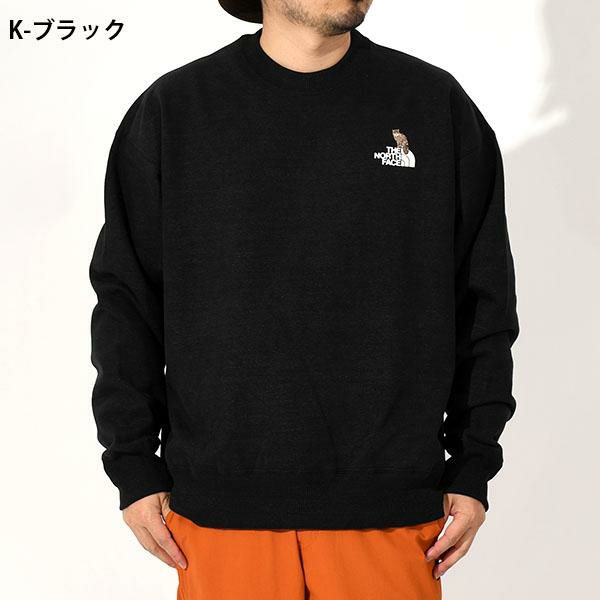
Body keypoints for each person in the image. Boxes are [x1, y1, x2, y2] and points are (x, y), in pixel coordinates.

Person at [89, 1, 519, 598]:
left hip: (391, 509)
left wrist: (473, 463)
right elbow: (127, 301)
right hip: (221, 510)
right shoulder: (176, 110)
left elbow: (485, 299)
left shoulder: (433, 106)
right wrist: (133, 462)